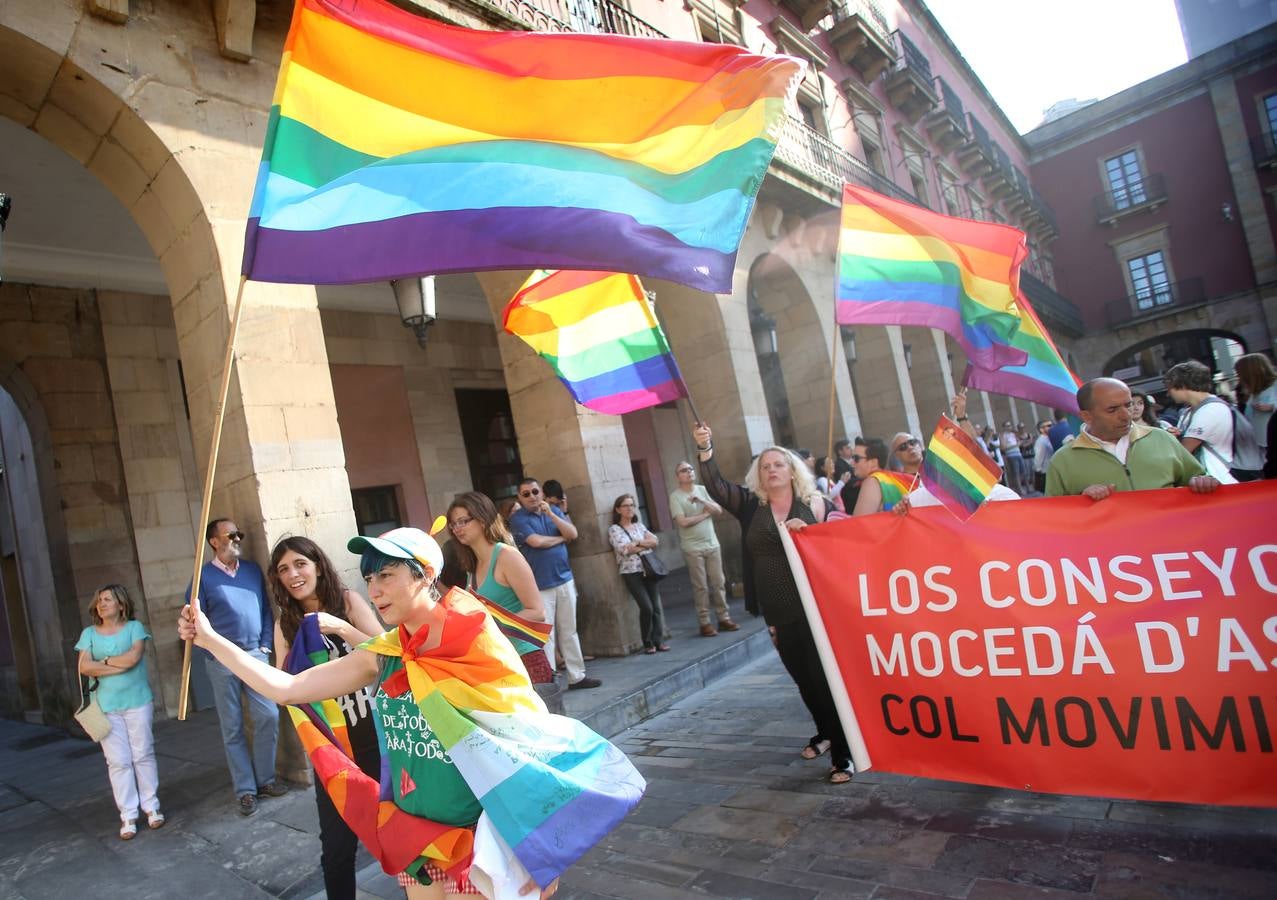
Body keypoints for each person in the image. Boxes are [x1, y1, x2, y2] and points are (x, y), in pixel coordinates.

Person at [179, 528, 567, 900]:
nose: (375, 589)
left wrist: (535, 845)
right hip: (416, 831)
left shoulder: (474, 639)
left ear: (426, 574)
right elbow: (288, 688)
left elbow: (524, 733)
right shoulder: (387, 652)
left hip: (479, 831)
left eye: (386, 574)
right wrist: (211, 638)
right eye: (369, 577)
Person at [692, 422, 851, 784]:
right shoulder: (751, 505)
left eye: (778, 464)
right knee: (803, 681)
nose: (772, 470)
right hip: (778, 611)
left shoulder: (816, 504)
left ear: (792, 470)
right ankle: (825, 732)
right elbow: (716, 486)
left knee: (824, 679)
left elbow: (841, 548)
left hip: (815, 608)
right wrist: (706, 448)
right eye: (765, 466)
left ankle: (844, 754)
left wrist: (810, 534)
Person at [268, 536, 383, 900]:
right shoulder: (284, 624)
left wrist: (342, 629)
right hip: (331, 747)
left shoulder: (348, 602)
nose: (294, 574)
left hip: (377, 735)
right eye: (284, 569)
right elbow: (286, 687)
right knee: (336, 847)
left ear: (317, 564)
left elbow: (389, 650)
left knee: (404, 829)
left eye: (300, 563)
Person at [189, 518, 286, 816]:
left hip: (255, 655)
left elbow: (266, 610)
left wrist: (266, 645)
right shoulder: (201, 578)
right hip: (221, 661)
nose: (237, 539)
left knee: (268, 715)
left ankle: (265, 780)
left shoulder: (252, 570)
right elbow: (194, 621)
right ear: (214, 542)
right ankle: (246, 790)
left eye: (238, 534)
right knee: (232, 728)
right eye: (230, 535)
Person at [75, 584, 162, 840]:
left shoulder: (135, 628)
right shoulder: (89, 633)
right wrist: (114, 664)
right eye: (99, 600)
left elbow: (133, 658)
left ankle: (152, 806)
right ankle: (128, 815)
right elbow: (84, 667)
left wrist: (101, 664)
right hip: (106, 706)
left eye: (108, 600)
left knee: (143, 754)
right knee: (118, 761)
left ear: (121, 605)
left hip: (137, 701)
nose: (102, 604)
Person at [1046, 377, 1219, 499]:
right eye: (1112, 410)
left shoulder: (1161, 439)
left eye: (1128, 405)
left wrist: (1201, 482)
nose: (1126, 415)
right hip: (1112, 549)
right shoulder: (1063, 461)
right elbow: (1055, 518)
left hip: (1171, 546)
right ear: (1086, 416)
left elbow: (1197, 477)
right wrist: (1081, 501)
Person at [446, 492, 553, 683]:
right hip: (500, 662)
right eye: (453, 524)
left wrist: (487, 627)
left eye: (463, 521)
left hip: (526, 659)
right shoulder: (473, 566)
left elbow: (537, 612)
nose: (457, 528)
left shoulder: (506, 556)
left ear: (482, 519)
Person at [508, 478, 601, 690]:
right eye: (526, 494)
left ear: (541, 492)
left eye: (535, 491)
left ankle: (577, 676)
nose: (532, 497)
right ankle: (550, 680)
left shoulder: (553, 511)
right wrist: (561, 539)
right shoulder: (519, 519)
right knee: (546, 634)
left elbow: (573, 534)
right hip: (540, 585)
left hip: (564, 578)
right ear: (519, 498)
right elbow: (536, 542)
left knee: (569, 630)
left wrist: (550, 514)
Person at [668, 461, 737, 637]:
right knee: (701, 587)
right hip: (692, 548)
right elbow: (682, 522)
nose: (689, 472)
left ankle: (724, 618)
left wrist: (701, 500)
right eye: (684, 470)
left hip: (712, 544)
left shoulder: (702, 490)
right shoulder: (675, 496)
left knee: (719, 582)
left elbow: (719, 510)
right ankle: (705, 622)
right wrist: (705, 514)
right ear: (678, 477)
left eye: (691, 469)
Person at [608, 494, 669, 654]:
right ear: (618, 509)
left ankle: (658, 640)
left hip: (649, 570)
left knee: (656, 607)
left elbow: (655, 541)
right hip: (631, 572)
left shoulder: (639, 526)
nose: (630, 508)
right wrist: (642, 545)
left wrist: (637, 543)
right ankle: (647, 642)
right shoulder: (615, 529)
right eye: (626, 505)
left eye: (632, 505)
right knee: (647, 607)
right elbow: (624, 549)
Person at [1165, 360, 1243, 484]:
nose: (1168, 394)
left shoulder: (1211, 409)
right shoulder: (1188, 411)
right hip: (1205, 480)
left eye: (1169, 388)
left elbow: (1183, 451)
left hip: (1218, 479)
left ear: (1182, 385)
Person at [851, 438, 916, 516]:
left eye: (856, 458)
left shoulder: (872, 481)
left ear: (873, 463)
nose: (852, 463)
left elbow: (859, 524)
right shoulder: (896, 479)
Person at [1235, 353, 1277, 452]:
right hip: (1260, 444)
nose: (1238, 377)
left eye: (1239, 373)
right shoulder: (1254, 392)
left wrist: (1271, 407)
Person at [999, 421, 1024, 495]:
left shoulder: (1013, 434)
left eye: (1010, 425)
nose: (1009, 427)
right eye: (1007, 426)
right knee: (1015, 473)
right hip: (1011, 455)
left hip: (1018, 454)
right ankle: (1019, 490)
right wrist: (1015, 445)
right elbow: (1003, 448)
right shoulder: (1003, 436)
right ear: (1004, 427)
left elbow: (1019, 441)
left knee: (1022, 472)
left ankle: (1021, 487)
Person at [1032, 420, 1054, 494]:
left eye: (1051, 425)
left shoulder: (1049, 438)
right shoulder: (1040, 441)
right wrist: (1038, 469)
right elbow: (1038, 457)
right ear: (1041, 429)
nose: (1051, 427)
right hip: (1045, 471)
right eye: (1048, 426)